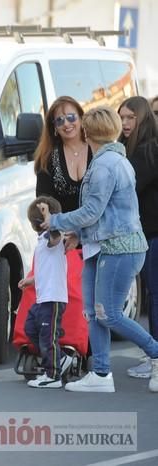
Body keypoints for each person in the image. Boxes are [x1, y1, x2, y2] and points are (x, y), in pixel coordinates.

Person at [39, 106, 158, 393]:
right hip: (104, 246)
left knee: (109, 313)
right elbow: (102, 213)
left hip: (118, 248)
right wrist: (78, 236)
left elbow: (91, 211)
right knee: (94, 312)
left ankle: (155, 353)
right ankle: (102, 374)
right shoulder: (113, 160)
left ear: (86, 132)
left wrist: (54, 221)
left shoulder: (105, 165)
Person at [117, 96, 158, 378]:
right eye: (121, 117)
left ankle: (155, 357)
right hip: (147, 233)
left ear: (142, 119)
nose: (125, 123)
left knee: (155, 296)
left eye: (131, 117)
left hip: (154, 233)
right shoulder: (135, 149)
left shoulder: (147, 151)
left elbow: (127, 188)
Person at [19, 196, 73, 388]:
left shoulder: (55, 239)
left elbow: (55, 235)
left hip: (53, 298)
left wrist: (47, 215)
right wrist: (30, 280)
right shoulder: (42, 241)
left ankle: (53, 375)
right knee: (31, 328)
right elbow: (45, 270)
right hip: (43, 298)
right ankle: (62, 358)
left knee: (47, 337)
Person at [34, 96, 91, 213]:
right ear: (54, 126)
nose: (66, 123)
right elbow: (43, 203)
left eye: (71, 117)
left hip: (104, 229)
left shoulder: (98, 149)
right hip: (65, 229)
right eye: (59, 120)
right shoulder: (46, 158)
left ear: (81, 118)